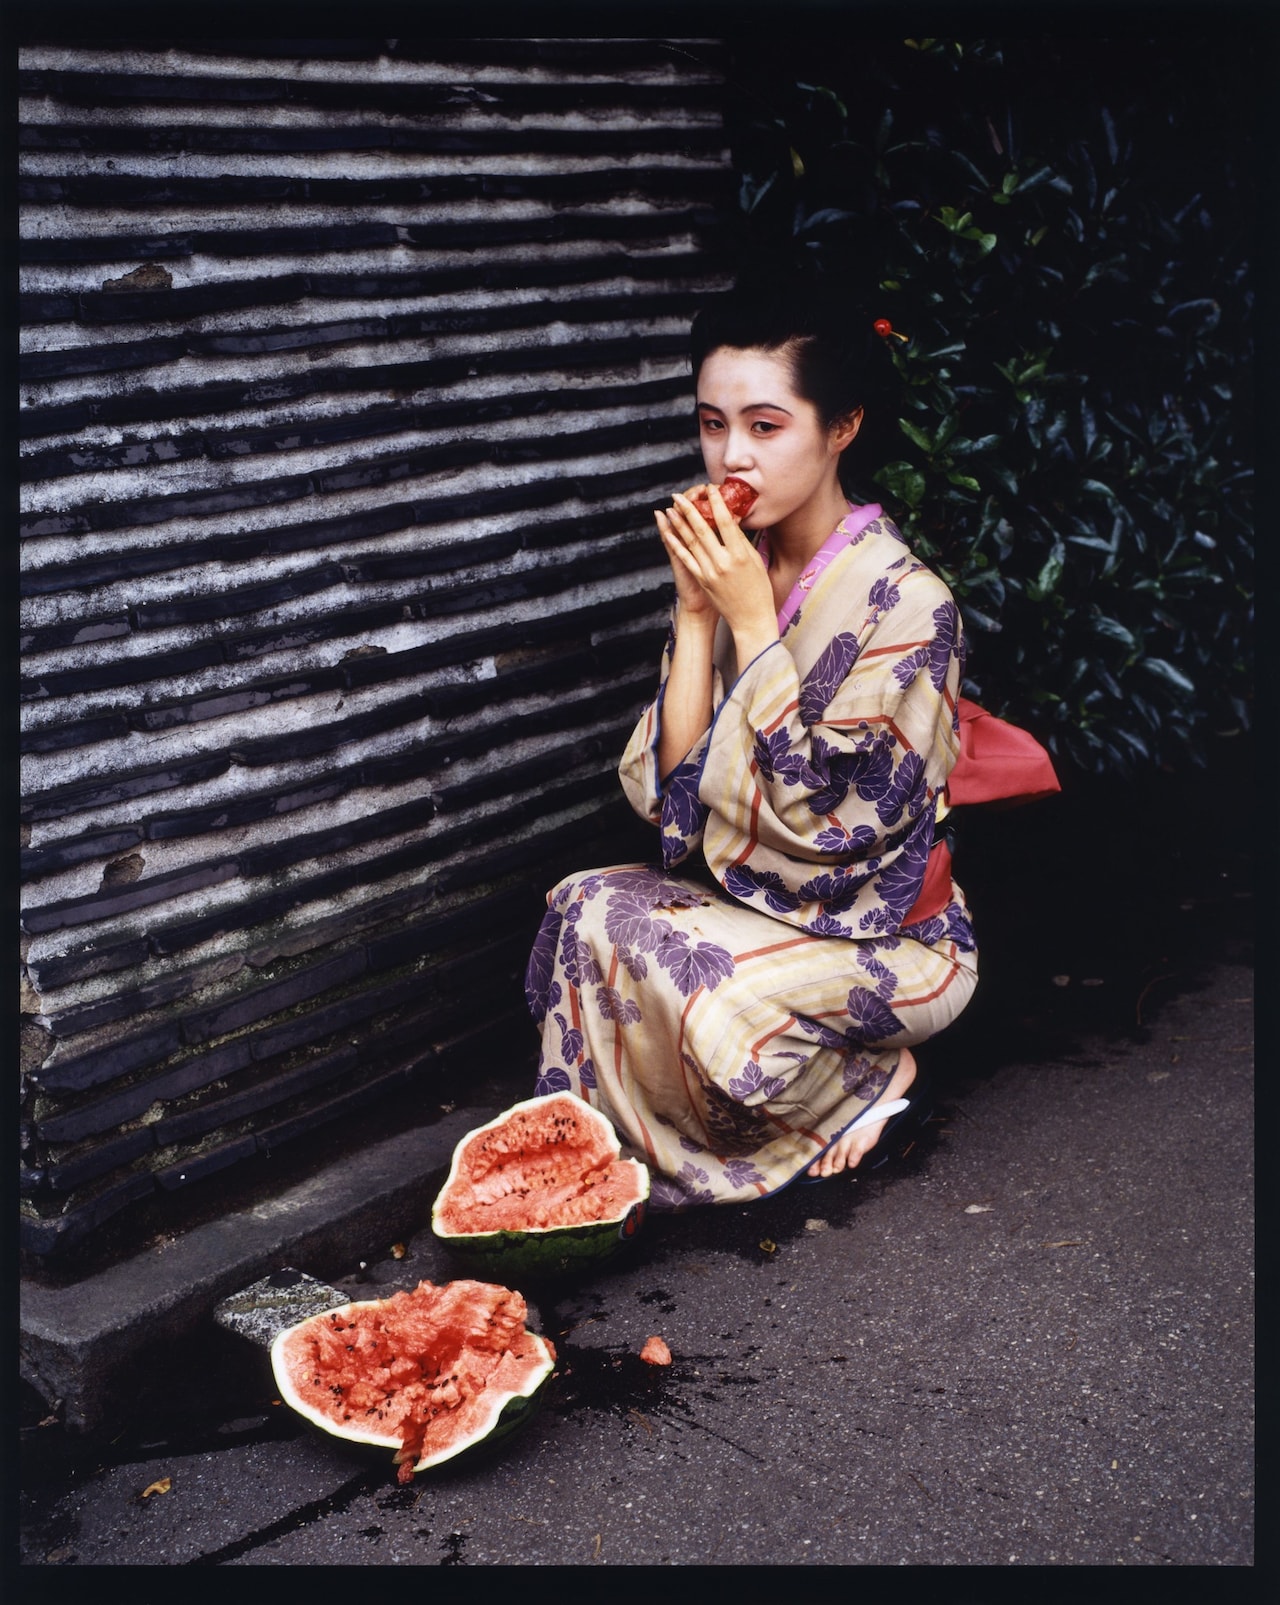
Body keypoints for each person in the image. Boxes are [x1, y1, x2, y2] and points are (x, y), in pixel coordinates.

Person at [524, 277, 978, 1208]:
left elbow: (830, 827)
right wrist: (698, 617)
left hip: (885, 934)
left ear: (842, 426)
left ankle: (869, 1077)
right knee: (583, 908)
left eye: (766, 426)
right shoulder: (742, 565)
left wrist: (752, 624)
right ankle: (599, 1165)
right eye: (712, 424)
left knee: (709, 999)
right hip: (759, 906)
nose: (732, 455)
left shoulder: (913, 605)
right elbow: (669, 805)